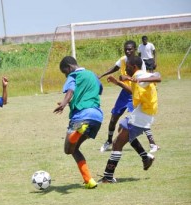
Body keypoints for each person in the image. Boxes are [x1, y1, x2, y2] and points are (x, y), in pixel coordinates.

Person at [99, 55, 161, 183]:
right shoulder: (137, 77)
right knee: (121, 128)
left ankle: (108, 176)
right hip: (141, 113)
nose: (125, 69)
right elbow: (133, 92)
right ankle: (145, 157)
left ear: (134, 67)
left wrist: (133, 79)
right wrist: (118, 82)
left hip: (142, 115)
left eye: (127, 67)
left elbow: (158, 77)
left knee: (117, 143)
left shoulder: (139, 75)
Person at [98, 40, 159, 153]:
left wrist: (131, 79)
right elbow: (115, 68)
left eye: (130, 49)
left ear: (135, 49)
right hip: (124, 93)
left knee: (139, 118)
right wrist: (102, 75)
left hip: (135, 93)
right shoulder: (123, 60)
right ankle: (109, 141)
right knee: (114, 118)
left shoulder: (139, 62)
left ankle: (152, 144)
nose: (128, 51)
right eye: (126, 49)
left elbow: (149, 78)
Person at [53, 56, 103, 189]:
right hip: (96, 117)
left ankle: (78, 131)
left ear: (69, 67)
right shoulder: (93, 75)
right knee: (74, 149)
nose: (65, 76)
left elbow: (71, 90)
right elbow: (98, 90)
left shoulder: (73, 75)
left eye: (65, 72)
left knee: (67, 149)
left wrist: (64, 103)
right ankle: (89, 180)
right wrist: (71, 101)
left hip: (81, 117)